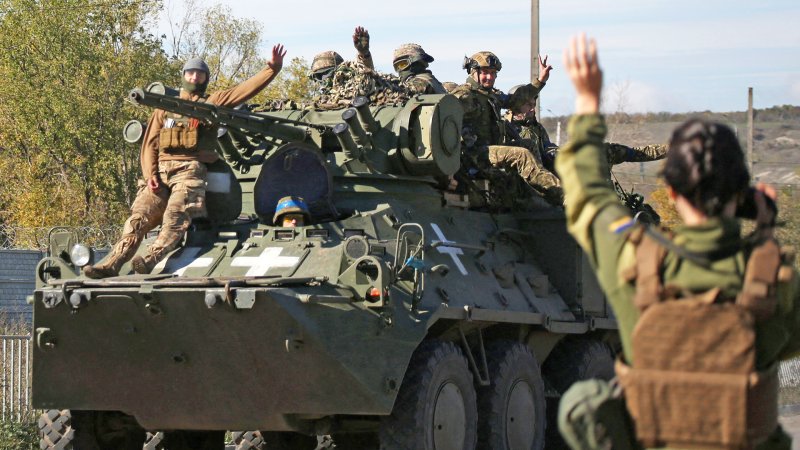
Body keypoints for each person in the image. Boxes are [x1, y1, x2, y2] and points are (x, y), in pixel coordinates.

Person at [556, 34, 799, 450]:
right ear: (743, 192)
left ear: (670, 193)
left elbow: (585, 191)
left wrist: (587, 103)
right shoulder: (775, 281)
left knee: (582, 402)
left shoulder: (635, 259)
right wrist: (764, 238)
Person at [83, 45, 287, 278]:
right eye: (190, 73)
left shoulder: (211, 103)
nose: (194, 77)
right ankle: (110, 264)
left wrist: (271, 69)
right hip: (160, 172)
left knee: (175, 216)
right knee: (138, 219)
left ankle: (150, 259)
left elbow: (242, 91)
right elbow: (149, 144)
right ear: (183, 75)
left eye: (200, 74)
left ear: (205, 79)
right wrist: (150, 175)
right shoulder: (164, 107)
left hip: (190, 170)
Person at [452, 51, 562, 204]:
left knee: (528, 144)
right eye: (485, 73)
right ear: (473, 72)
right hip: (474, 154)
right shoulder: (465, 95)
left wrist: (540, 81)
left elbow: (514, 100)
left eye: (493, 73)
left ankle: (538, 193)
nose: (489, 77)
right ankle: (561, 194)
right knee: (520, 154)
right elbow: (444, 117)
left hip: (490, 150)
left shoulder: (490, 94)